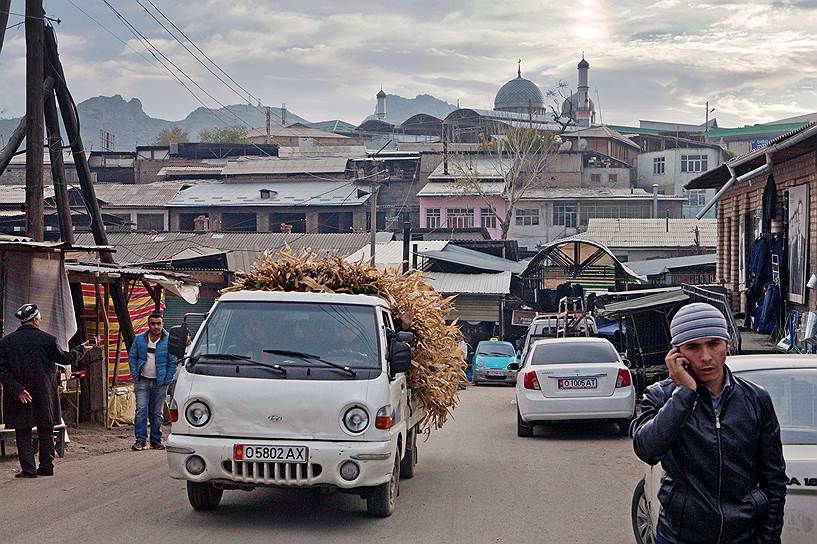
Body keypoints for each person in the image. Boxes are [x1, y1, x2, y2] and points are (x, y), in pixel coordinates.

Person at [632, 303, 787, 544]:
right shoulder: (660, 397)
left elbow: (774, 479)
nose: (706, 357)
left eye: (714, 343)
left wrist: (768, 538)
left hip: (744, 535)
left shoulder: (756, 399)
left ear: (727, 344)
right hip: (679, 536)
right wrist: (685, 392)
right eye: (693, 347)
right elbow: (648, 450)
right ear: (677, 354)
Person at [0, 304, 91, 478]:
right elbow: (65, 358)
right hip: (44, 394)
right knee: (45, 429)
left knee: (23, 431)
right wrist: (81, 349)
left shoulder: (6, 342)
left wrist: (18, 390)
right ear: (35, 320)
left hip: (19, 395)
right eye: (40, 317)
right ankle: (46, 467)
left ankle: (28, 470)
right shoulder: (48, 340)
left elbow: (2, 371)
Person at [128, 311, 177, 451]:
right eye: (153, 324)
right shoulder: (139, 340)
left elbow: (173, 361)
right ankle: (140, 441)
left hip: (160, 383)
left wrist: (167, 379)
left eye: (159, 323)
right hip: (142, 381)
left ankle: (156, 441)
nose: (156, 326)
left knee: (157, 413)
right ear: (148, 325)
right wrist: (134, 374)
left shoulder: (169, 340)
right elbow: (132, 357)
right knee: (141, 410)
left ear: (162, 324)